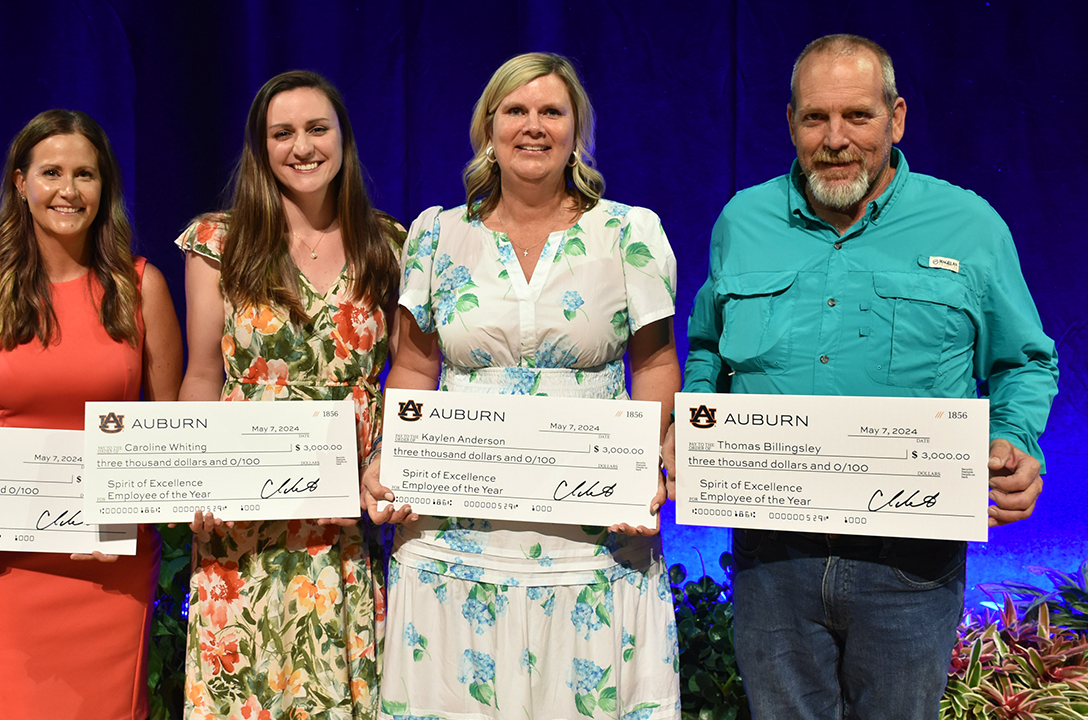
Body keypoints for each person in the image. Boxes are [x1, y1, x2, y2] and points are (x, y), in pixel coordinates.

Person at [673, 34, 1059, 720]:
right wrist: (692, 418)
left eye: (858, 116)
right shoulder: (743, 220)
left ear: (897, 118)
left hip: (910, 562)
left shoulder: (969, 226)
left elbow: (1023, 360)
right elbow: (706, 349)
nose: (835, 139)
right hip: (772, 555)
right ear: (790, 121)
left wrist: (1016, 442)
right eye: (816, 118)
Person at [371, 52, 681, 720]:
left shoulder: (630, 232)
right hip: (453, 537)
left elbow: (654, 365)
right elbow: (415, 367)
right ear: (489, 126)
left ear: (577, 131)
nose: (532, 126)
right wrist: (388, 460)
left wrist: (648, 463)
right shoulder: (435, 234)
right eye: (516, 110)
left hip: (592, 538)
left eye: (551, 112)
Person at [0, 109, 182, 719]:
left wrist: (136, 508)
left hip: (112, 565)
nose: (68, 190)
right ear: (20, 182)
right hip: (5, 568)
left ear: (104, 188)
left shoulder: (142, 289)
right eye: (51, 172)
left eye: (86, 174)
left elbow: (174, 432)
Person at [176, 70, 403, 719]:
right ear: (261, 147)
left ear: (343, 140)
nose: (301, 146)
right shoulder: (217, 244)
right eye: (283, 133)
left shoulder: (388, 245)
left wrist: (382, 461)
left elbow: (409, 375)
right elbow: (199, 376)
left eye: (316, 128)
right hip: (240, 533)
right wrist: (195, 476)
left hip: (342, 534)